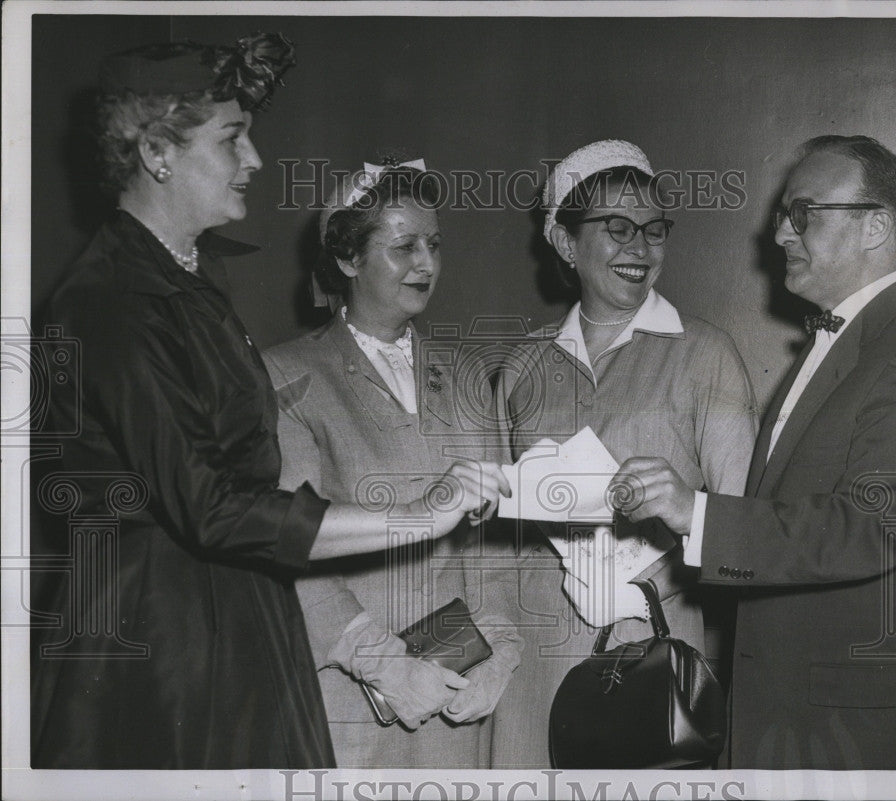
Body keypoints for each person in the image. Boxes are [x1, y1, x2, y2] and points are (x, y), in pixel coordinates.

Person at [31, 37, 507, 769]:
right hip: (166, 655)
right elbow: (213, 504)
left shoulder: (190, 284)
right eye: (232, 138)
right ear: (158, 151)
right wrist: (420, 513)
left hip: (240, 633)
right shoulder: (108, 299)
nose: (253, 159)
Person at [613, 135, 896, 770]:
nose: (781, 233)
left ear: (877, 226)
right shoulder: (831, 350)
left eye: (802, 212)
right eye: (784, 214)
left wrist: (697, 514)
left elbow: (872, 527)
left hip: (860, 736)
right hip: (790, 719)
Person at [490, 140, 758, 767]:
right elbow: (494, 540)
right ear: (564, 242)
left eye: (653, 229)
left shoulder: (705, 355)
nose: (640, 247)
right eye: (617, 227)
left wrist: (658, 580)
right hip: (538, 668)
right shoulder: (523, 365)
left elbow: (742, 530)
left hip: (652, 656)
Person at [262, 160, 523, 768]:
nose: (426, 264)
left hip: (463, 702)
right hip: (352, 707)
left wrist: (504, 649)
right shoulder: (286, 377)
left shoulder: (464, 376)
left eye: (433, 245)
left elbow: (499, 539)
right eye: (404, 246)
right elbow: (289, 542)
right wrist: (384, 665)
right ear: (349, 261)